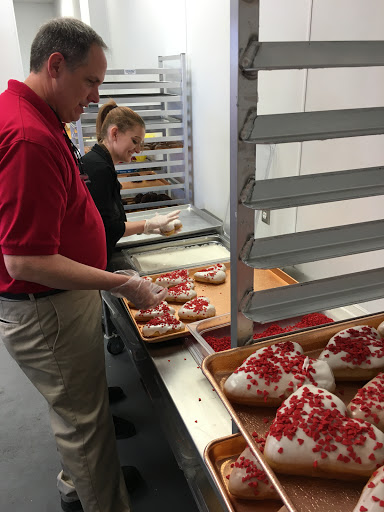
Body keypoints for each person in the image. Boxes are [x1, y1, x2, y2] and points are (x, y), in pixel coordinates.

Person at [0, 17, 168, 512]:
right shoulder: (30, 137)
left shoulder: (37, 118)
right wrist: (123, 284)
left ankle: (79, 482)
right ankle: (96, 497)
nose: (96, 97)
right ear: (56, 66)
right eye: (90, 81)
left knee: (77, 407)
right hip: (44, 308)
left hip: (54, 303)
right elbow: (26, 257)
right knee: (86, 426)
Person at [81, 99, 181, 267]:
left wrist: (148, 228)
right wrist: (146, 225)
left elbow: (110, 223)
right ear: (114, 133)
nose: (138, 150)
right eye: (135, 141)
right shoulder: (98, 168)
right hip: (89, 264)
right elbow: (106, 229)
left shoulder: (100, 163)